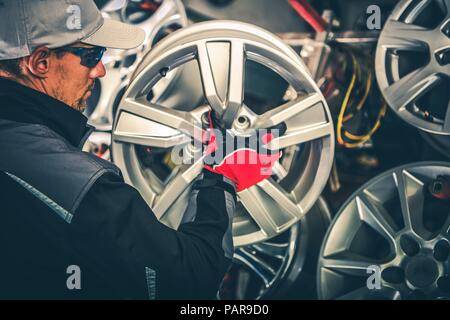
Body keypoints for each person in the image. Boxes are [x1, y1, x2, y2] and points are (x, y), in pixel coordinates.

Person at [0, 0, 279, 299]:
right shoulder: (79, 187)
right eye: (92, 55)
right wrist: (221, 178)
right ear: (40, 62)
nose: (101, 70)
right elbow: (189, 281)